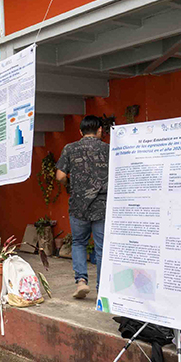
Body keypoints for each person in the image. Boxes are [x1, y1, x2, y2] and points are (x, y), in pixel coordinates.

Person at [56, 115, 109, 299]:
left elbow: (60, 176)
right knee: (101, 248)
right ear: (100, 130)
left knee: (79, 242)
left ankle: (81, 282)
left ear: (80, 131)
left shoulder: (70, 148)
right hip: (102, 206)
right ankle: (102, 288)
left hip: (78, 206)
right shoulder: (108, 149)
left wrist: (71, 187)